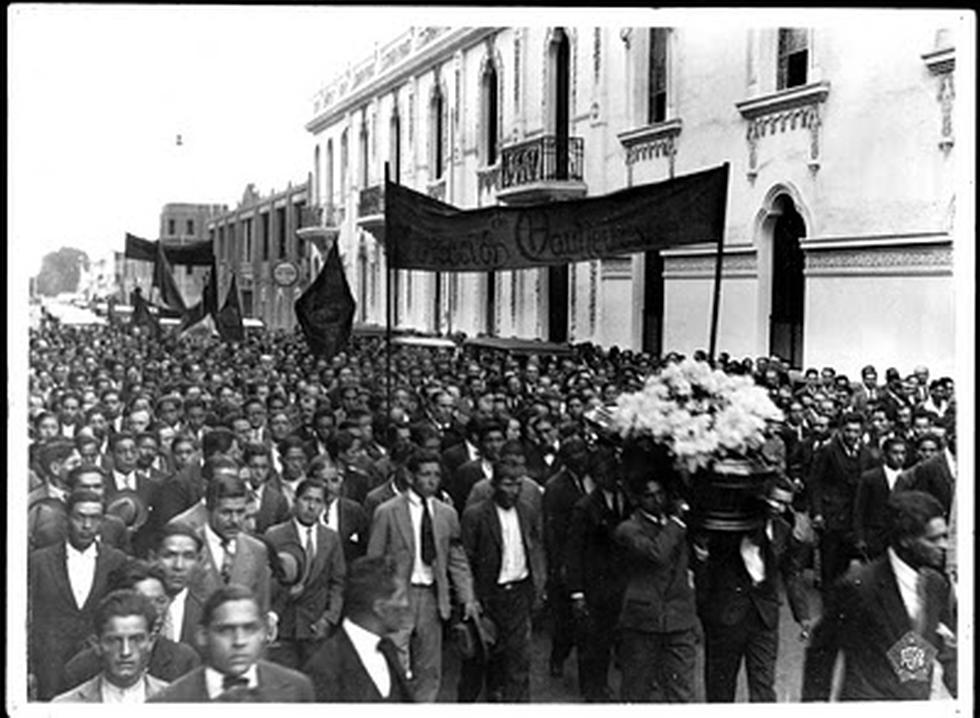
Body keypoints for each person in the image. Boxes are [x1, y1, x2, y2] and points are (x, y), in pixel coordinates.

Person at [802, 491, 957, 701]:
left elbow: (948, 651)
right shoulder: (858, 586)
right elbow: (822, 654)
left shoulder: (936, 585)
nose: (944, 546)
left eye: (945, 536)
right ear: (906, 540)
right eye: (933, 539)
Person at [366, 448, 479, 702]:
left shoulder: (446, 513)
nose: (431, 480)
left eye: (436, 475)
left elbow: (456, 559)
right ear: (410, 476)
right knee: (397, 661)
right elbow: (374, 560)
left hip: (431, 595)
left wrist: (467, 597)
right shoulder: (388, 511)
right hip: (398, 596)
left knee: (429, 666)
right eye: (425, 474)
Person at [693, 478, 813, 702]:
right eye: (776, 501)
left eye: (786, 504)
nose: (780, 508)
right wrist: (703, 613)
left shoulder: (783, 530)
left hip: (764, 618)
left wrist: (803, 616)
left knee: (763, 687)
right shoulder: (731, 526)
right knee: (721, 687)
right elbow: (707, 570)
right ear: (762, 497)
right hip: (727, 617)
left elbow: (791, 573)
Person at [29, 488, 132, 700]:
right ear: (67, 519)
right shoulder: (39, 561)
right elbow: (26, 618)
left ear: (102, 521)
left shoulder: (116, 562)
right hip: (50, 667)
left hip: (97, 666)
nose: (87, 526)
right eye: (80, 517)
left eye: (94, 518)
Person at [459, 455, 547, 702]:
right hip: (488, 597)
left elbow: (536, 548)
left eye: (518, 484)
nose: (514, 490)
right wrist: (471, 598)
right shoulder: (476, 515)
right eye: (508, 484)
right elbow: (464, 559)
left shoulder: (527, 511)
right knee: (482, 662)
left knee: (519, 663)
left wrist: (539, 586)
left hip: (518, 594)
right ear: (494, 485)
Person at [614, 468, 698, 702]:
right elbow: (657, 553)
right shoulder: (628, 529)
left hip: (679, 621)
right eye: (649, 495)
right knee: (637, 691)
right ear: (637, 499)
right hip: (643, 623)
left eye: (660, 493)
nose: (657, 500)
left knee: (682, 692)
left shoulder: (674, 526)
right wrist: (677, 521)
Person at [149, 584, 315, 702]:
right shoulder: (170, 701)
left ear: (264, 633)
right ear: (203, 635)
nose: (239, 641)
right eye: (225, 630)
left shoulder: (297, 689)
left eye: (249, 629)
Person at [564, 442, 632, 702]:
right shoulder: (585, 507)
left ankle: (602, 687)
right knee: (594, 642)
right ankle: (593, 691)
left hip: (620, 582)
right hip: (596, 586)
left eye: (612, 474)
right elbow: (574, 551)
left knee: (615, 636)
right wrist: (577, 592)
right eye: (602, 475)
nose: (610, 480)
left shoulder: (626, 499)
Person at [63, 561, 201, 685]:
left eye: (160, 601)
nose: (155, 612)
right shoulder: (82, 667)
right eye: (144, 602)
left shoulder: (184, 660)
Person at [303, 556, 415, 702]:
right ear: (379, 608)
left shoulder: (388, 650)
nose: (406, 604)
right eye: (400, 597)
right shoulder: (325, 668)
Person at [264, 479, 346, 669]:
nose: (311, 506)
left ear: (324, 506)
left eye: (318, 501)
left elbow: (338, 582)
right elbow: (265, 580)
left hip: (315, 627)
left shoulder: (331, 538)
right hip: (283, 625)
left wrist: (329, 618)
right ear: (295, 500)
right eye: (306, 499)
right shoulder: (275, 535)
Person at [52, 590, 169, 702]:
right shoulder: (65, 706)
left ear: (151, 642)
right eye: (114, 641)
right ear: (96, 644)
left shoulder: (175, 700)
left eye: (136, 640)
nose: (125, 652)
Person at [189, 472, 272, 616]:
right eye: (226, 512)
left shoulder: (257, 550)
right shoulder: (189, 547)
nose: (235, 520)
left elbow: (260, 610)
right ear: (209, 509)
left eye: (240, 512)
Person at [809, 411, 875, 590]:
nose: (852, 435)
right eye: (848, 431)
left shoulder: (867, 454)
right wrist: (817, 513)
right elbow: (815, 482)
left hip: (853, 517)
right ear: (840, 431)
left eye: (856, 431)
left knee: (846, 566)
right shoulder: (828, 451)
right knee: (830, 567)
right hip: (831, 517)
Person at [150, 524, 206, 647]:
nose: (179, 566)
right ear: (153, 558)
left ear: (199, 561)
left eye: (188, 557)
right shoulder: (135, 603)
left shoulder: (205, 613)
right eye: (169, 555)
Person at [854, 437, 908, 560]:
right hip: (876, 537)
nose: (899, 457)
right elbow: (860, 509)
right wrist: (860, 538)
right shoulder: (870, 478)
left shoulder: (910, 477)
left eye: (903, 453)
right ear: (885, 454)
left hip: (901, 538)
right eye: (895, 453)